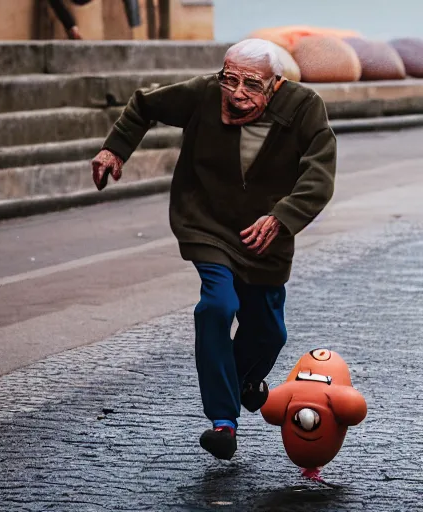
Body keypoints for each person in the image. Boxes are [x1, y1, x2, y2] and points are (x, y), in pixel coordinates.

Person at [91, 39, 337, 460]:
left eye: (251, 84)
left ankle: (242, 382)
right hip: (206, 223)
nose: (235, 92)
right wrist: (115, 148)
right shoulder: (203, 93)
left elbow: (320, 171)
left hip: (265, 234)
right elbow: (145, 104)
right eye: (229, 78)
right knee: (217, 307)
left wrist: (282, 216)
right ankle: (224, 421)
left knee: (269, 332)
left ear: (275, 85)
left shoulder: (304, 107)